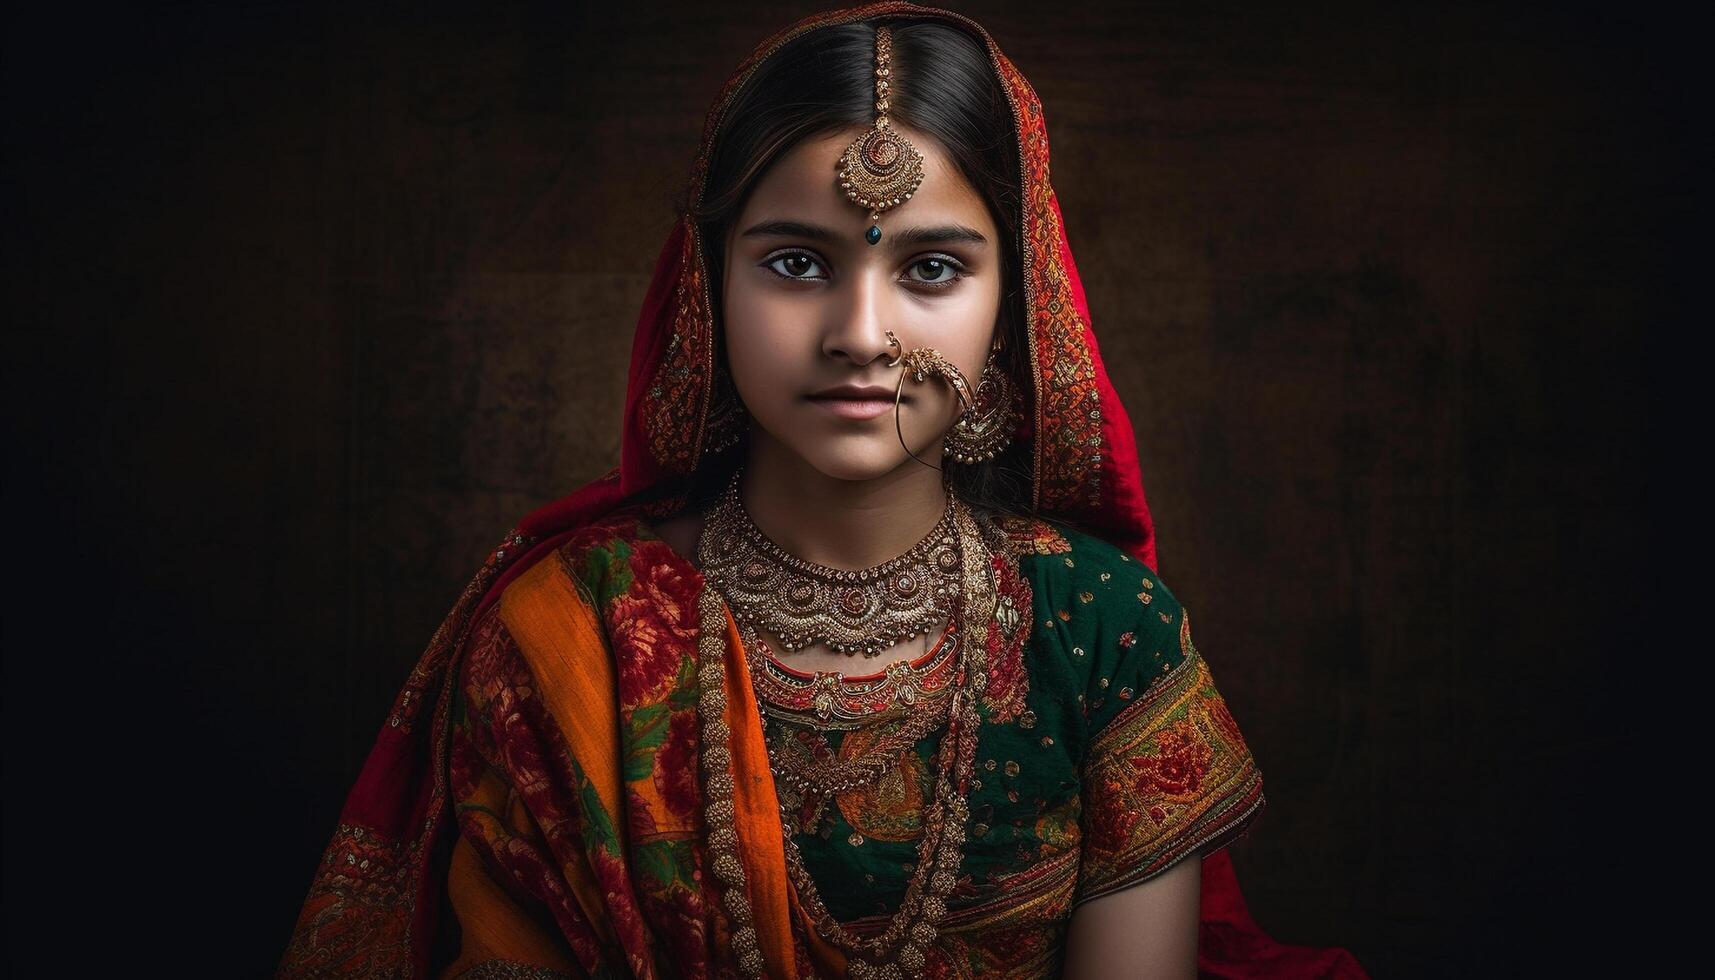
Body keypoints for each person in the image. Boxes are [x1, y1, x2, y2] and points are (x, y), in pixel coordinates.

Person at [278, 3, 1368, 977]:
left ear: (1014, 298)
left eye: (930, 269)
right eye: (795, 263)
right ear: (707, 286)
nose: (859, 335)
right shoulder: (570, 635)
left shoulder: (1104, 632)